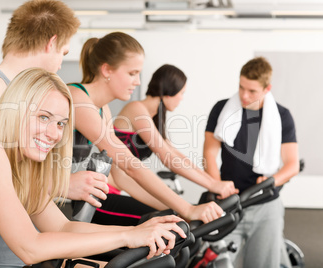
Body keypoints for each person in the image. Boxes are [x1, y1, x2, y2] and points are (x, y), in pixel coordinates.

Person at [0, 68, 186, 266]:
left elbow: (61, 227)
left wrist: (137, 233)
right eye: (43, 117)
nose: (54, 132)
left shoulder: (22, 167)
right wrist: (129, 238)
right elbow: (30, 247)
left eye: (61, 123)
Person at [0, 1, 109, 267]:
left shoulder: (30, 95)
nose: (59, 65)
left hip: (22, 252)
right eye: (63, 53)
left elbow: (57, 224)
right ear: (52, 42)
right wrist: (62, 184)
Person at [69, 32, 223, 227]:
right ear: (107, 70)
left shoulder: (103, 110)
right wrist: (189, 207)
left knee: (170, 223)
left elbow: (129, 173)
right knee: (166, 225)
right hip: (63, 197)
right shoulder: (78, 99)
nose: (138, 82)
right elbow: (132, 166)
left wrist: (179, 207)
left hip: (75, 195)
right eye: (132, 73)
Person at [203, 56, 299, 268]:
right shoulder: (221, 109)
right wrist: (216, 186)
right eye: (241, 87)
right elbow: (209, 153)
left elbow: (291, 164)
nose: (244, 95)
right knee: (218, 263)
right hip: (229, 202)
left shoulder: (282, 116)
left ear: (267, 88)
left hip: (265, 204)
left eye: (252, 91)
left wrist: (272, 180)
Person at [113, 64, 238, 199]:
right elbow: (168, 158)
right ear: (169, 91)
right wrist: (212, 185)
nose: (182, 98)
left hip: (122, 188)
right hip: (109, 189)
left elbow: (175, 154)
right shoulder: (136, 109)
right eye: (181, 93)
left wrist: (215, 183)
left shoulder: (153, 118)